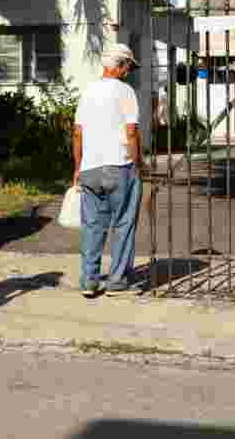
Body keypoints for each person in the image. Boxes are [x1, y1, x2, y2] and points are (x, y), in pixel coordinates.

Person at [73, 43, 145, 298]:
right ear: (122, 65)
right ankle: (117, 281)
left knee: (92, 225)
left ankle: (89, 280)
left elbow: (78, 133)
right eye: (128, 67)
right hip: (119, 166)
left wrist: (77, 167)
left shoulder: (88, 92)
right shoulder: (126, 92)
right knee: (124, 222)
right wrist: (138, 164)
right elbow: (132, 132)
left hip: (90, 168)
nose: (129, 72)